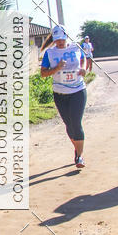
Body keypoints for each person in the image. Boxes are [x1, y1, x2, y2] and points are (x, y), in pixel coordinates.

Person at [40, 25, 87, 169]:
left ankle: (79, 157)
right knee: (69, 125)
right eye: (57, 39)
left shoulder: (76, 47)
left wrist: (83, 68)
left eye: (62, 39)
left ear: (66, 37)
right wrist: (57, 68)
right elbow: (43, 73)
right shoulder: (50, 53)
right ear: (53, 39)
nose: (60, 42)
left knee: (76, 122)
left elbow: (83, 59)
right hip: (60, 94)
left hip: (78, 90)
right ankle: (77, 148)